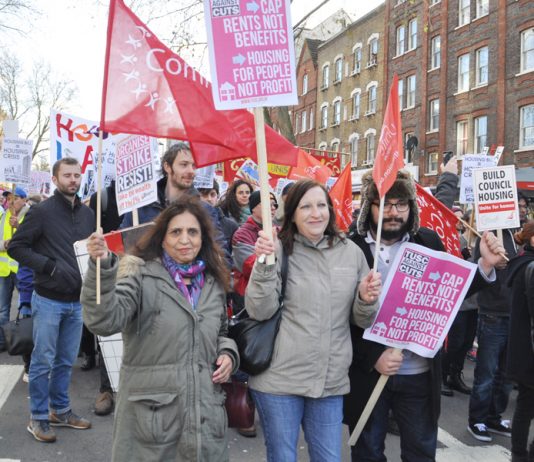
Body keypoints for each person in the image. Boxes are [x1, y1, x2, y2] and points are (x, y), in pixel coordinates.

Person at [343, 170, 505, 462]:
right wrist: (373, 356)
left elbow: (450, 289)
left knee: (420, 453)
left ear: (411, 207)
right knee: (367, 453)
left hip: (418, 376)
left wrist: (484, 265)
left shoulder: (426, 241)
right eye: (385, 204)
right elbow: (339, 318)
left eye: (401, 203)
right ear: (370, 208)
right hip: (368, 376)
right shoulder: (349, 248)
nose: (394, 212)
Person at [82, 198, 239, 461]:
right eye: (176, 232)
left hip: (205, 423)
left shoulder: (213, 283)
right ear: (162, 238)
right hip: (151, 427)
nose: (185, 239)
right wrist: (102, 268)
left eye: (193, 232)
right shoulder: (139, 275)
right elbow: (103, 321)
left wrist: (228, 354)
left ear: (203, 238)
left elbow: (221, 333)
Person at [245, 179, 382, 461]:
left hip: (329, 381)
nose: (315, 213)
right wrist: (263, 265)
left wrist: (366, 300)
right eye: (306, 206)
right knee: (283, 457)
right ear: (293, 213)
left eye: (321, 205)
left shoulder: (352, 253)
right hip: (279, 380)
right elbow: (260, 310)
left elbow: (362, 320)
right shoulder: (278, 248)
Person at [8, 158, 94, 443]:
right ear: (55, 179)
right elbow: (17, 247)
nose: (73, 180)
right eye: (67, 175)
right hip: (49, 299)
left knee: (66, 360)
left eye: (76, 175)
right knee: (43, 361)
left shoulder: (87, 214)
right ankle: (38, 418)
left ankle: (60, 410)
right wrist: (49, 266)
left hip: (77, 301)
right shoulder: (41, 212)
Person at [230, 189, 278, 438]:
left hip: (273, 301)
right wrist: (268, 256)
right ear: (254, 206)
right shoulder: (243, 233)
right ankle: (242, 412)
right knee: (246, 353)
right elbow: (246, 264)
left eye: (274, 203)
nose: (272, 207)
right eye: (267, 203)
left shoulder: (279, 231)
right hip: (246, 300)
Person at [467, 225, 517, 442]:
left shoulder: (520, 234)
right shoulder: (487, 234)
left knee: (506, 376)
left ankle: (493, 417)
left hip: (515, 314)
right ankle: (477, 419)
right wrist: (492, 264)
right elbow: (478, 269)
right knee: (486, 373)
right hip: (492, 313)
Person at [441, 207, 479, 397]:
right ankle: (443, 376)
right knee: (454, 343)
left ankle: (456, 375)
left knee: (466, 343)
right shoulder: (456, 241)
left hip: (475, 302)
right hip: (459, 303)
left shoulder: (481, 243)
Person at [506, 221, 534, 462]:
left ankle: (519, 453)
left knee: (526, 403)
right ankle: (520, 453)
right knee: (526, 405)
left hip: (524, 347)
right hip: (529, 349)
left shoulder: (522, 263)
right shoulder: (530, 267)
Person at [0, 187, 29, 351]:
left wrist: (18, 227)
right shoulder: (3, 216)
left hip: (23, 271)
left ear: (25, 199)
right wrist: (5, 244)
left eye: (15, 197)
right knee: (2, 309)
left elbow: (32, 240)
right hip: (4, 271)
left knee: (27, 307)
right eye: (9, 198)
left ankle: (26, 341)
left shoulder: (30, 216)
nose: (11, 201)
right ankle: (3, 343)